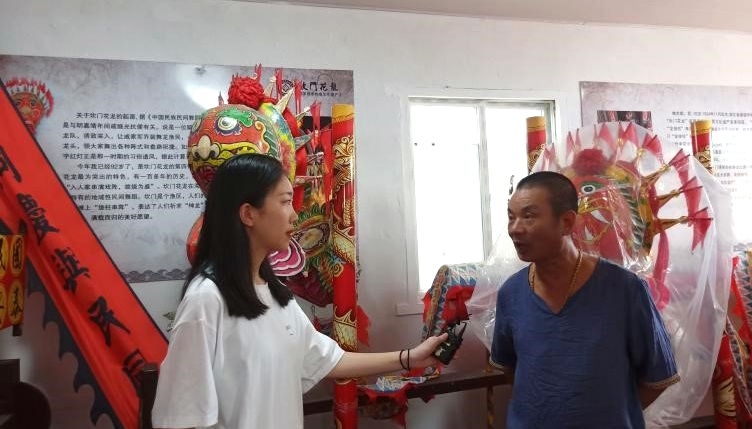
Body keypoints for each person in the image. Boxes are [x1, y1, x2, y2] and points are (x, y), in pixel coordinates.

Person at [151, 153, 447, 429]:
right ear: (248, 214)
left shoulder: (275, 294)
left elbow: (331, 359)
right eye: (285, 202)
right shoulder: (206, 300)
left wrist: (410, 357)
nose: (294, 215)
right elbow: (180, 416)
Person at [490, 171, 679, 428]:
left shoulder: (624, 289)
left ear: (567, 222)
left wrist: (608, 412)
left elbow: (657, 377)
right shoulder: (511, 293)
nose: (515, 229)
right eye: (511, 217)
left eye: (529, 216)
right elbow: (511, 369)